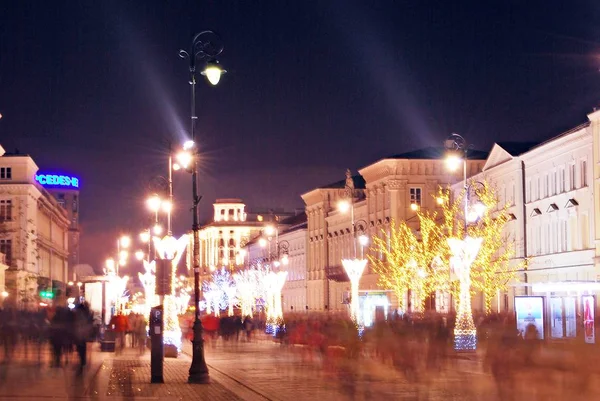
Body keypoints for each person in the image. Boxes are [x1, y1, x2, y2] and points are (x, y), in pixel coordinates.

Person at [73, 302, 93, 373]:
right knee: (82, 347)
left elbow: (77, 324)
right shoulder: (87, 313)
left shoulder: (79, 314)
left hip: (79, 334)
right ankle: (82, 361)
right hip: (83, 334)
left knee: (80, 347)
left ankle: (82, 361)